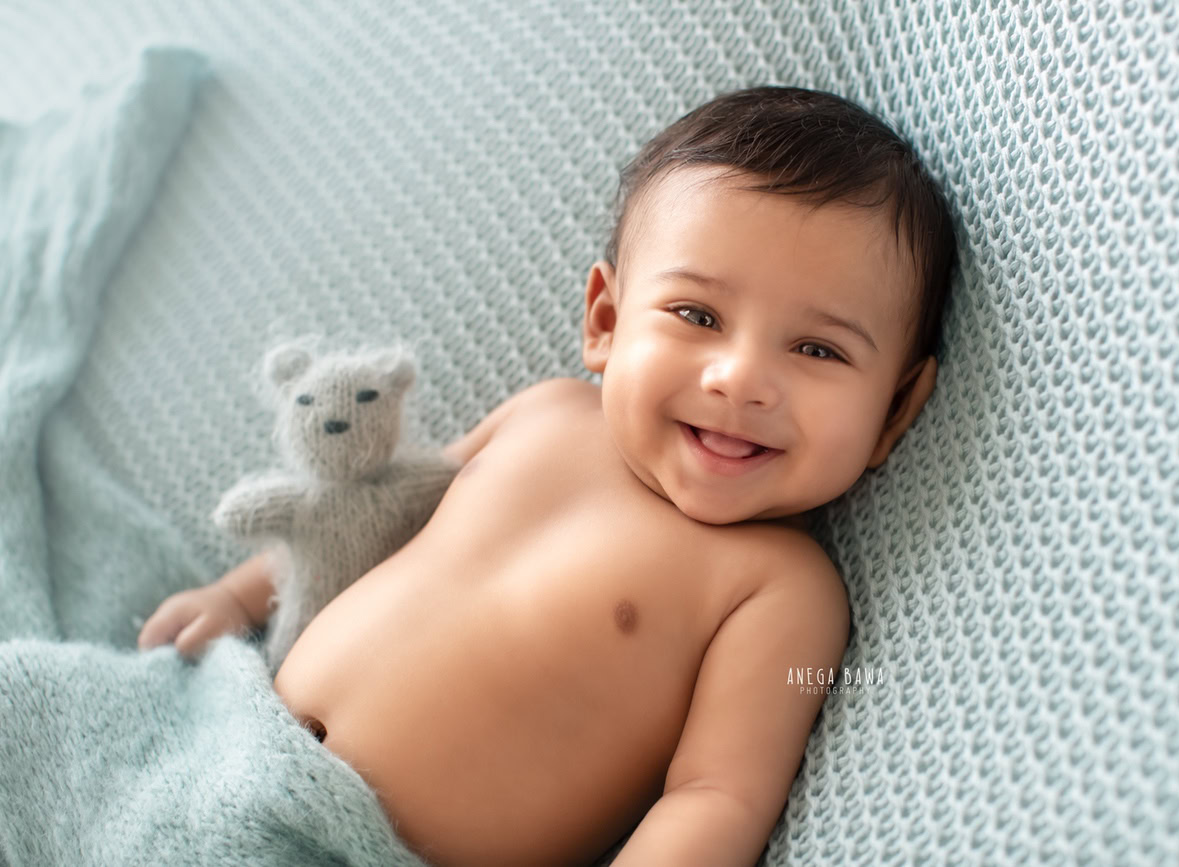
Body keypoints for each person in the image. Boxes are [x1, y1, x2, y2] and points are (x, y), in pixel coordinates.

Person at [138, 85, 958, 867]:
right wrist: (234, 598)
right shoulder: (546, 414)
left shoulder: (780, 591)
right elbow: (362, 519)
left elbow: (716, 797)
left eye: (817, 349)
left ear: (893, 410)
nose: (739, 379)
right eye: (697, 316)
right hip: (221, 736)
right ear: (605, 320)